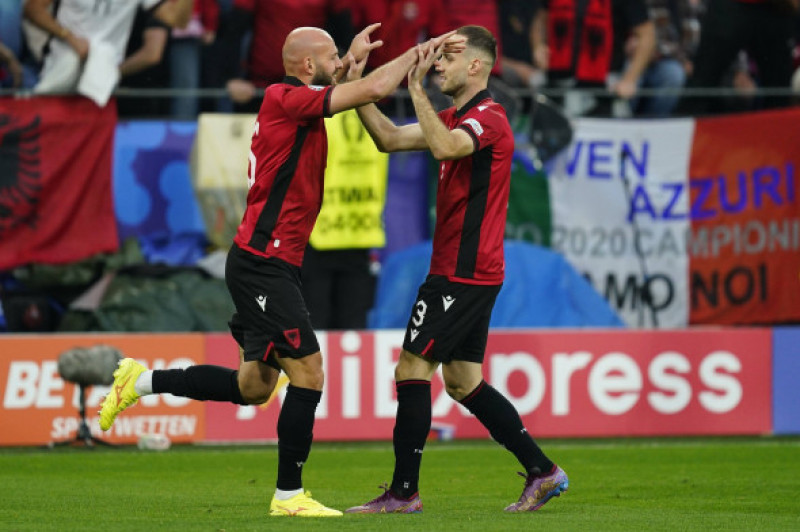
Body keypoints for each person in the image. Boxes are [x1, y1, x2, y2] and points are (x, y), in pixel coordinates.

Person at [98, 24, 464, 518]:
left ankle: (141, 382)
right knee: (309, 374)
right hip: (262, 264)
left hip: (272, 264)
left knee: (253, 386)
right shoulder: (284, 96)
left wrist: (351, 62)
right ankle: (289, 497)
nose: (338, 63)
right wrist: (420, 52)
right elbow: (375, 89)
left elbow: (355, 89)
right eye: (331, 56)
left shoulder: (300, 100)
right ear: (308, 66)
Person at [344, 25, 568, 514]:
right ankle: (543, 471)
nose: (438, 63)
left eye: (449, 57)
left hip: (461, 273)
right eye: (438, 58)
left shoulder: (489, 119)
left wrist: (416, 89)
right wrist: (359, 86)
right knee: (464, 382)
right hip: (464, 271)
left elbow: (445, 147)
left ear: (477, 66)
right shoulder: (454, 117)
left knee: (411, 370)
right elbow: (386, 138)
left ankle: (404, 494)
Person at [23, 0, 194, 102]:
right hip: (60, 64)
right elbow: (32, 9)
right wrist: (69, 37)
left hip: (101, 77)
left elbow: (176, 20)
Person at [532, 0, 656, 117]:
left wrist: (630, 79)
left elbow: (646, 34)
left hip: (606, 89)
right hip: (558, 84)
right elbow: (540, 22)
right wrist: (538, 46)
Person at [679, 0, 797, 115]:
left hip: (775, 6)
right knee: (702, 83)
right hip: (732, 5)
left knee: (779, 90)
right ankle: (685, 130)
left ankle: (779, 131)